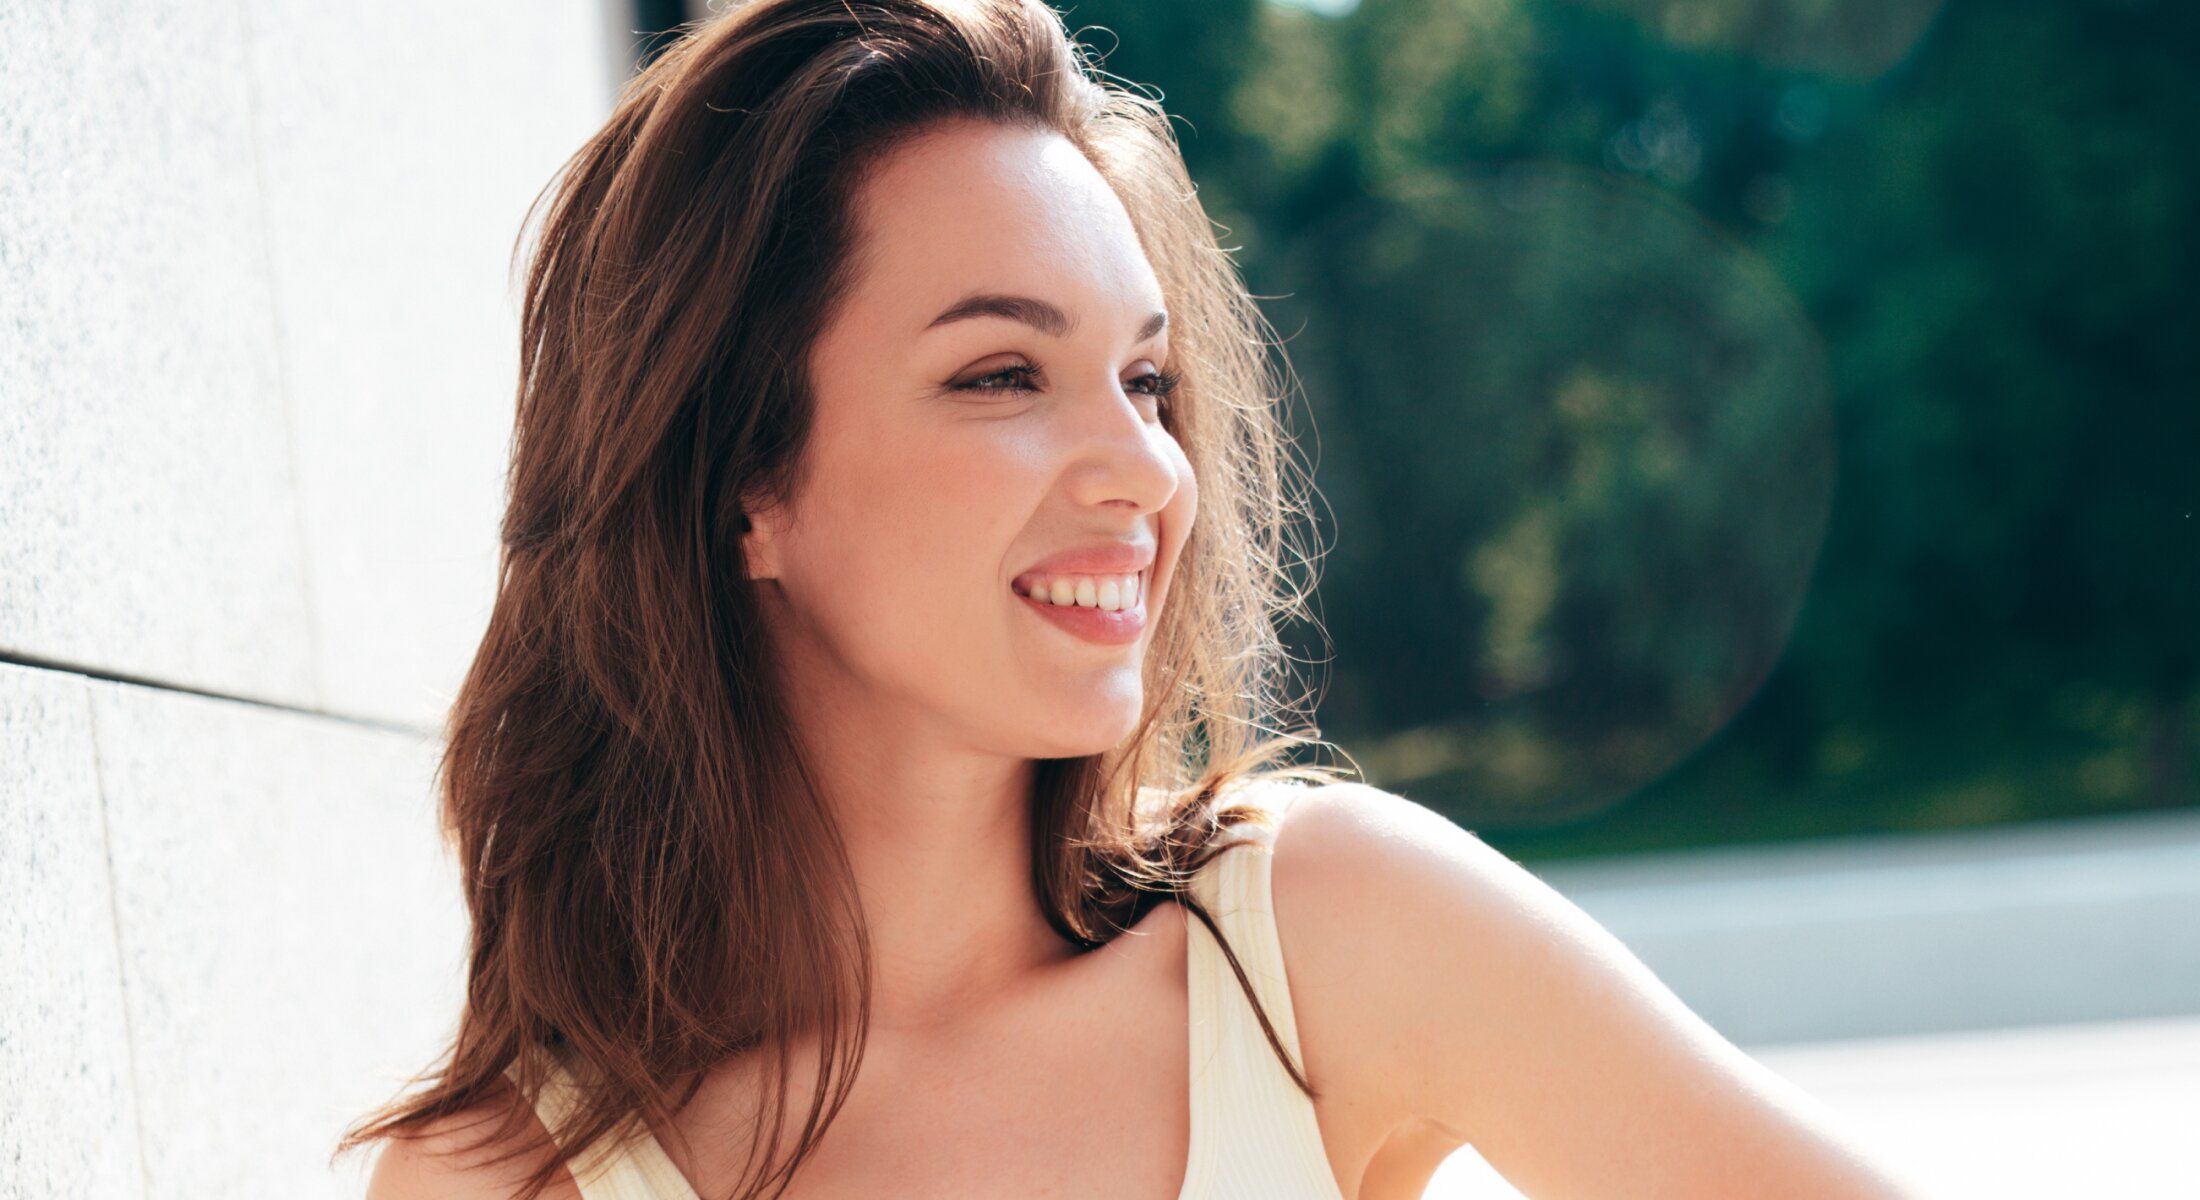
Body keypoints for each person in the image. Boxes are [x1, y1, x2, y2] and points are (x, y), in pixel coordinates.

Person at [349, 1, 1920, 1196]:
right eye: (1001, 374)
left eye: (1148, 380)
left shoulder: (1317, 942)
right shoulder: (514, 1176)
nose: (1151, 471)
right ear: (741, 482)